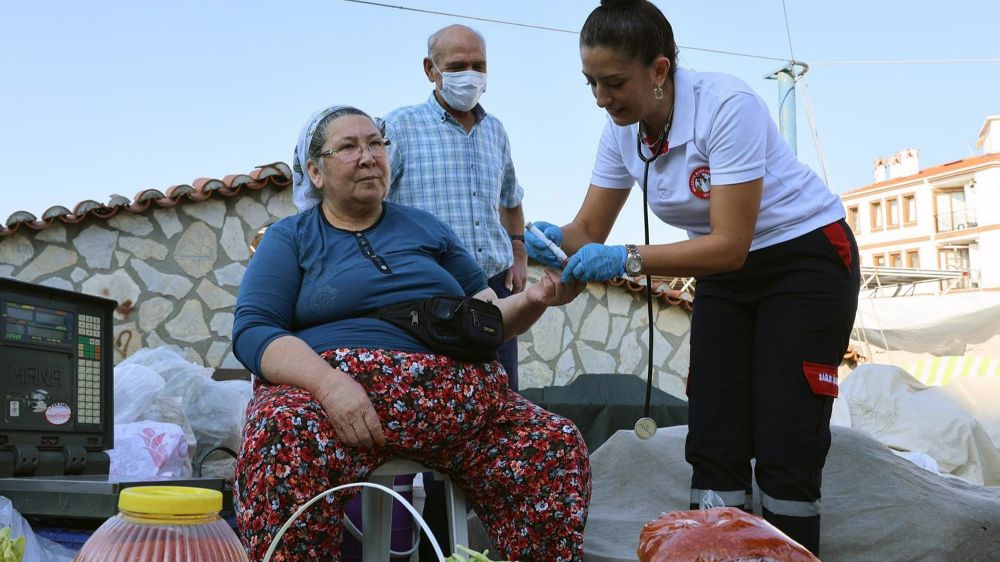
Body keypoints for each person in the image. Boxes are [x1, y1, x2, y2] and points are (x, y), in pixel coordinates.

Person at [526, 0, 860, 555]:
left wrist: (626, 259)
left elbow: (730, 245)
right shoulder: (622, 131)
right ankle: (717, 550)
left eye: (614, 82)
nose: (601, 99)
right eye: (591, 83)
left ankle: (791, 549)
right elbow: (588, 227)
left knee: (785, 437)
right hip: (725, 271)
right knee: (715, 431)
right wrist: (552, 242)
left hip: (803, 260)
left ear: (659, 70)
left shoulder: (726, 105)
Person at [232, 105, 591, 562]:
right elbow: (255, 329)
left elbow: (487, 320)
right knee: (280, 434)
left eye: (376, 143)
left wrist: (536, 299)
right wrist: (329, 384)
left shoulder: (427, 228)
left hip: (459, 405)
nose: (368, 156)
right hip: (335, 408)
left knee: (553, 443)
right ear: (315, 172)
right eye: (348, 146)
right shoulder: (292, 237)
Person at [383, 24, 527, 391]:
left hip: (495, 291)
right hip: (428, 292)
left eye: (479, 66)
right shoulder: (399, 128)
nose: (471, 75)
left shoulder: (495, 130)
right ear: (431, 70)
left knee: (500, 398)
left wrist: (519, 247)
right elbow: (371, 205)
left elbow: (511, 199)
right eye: (458, 65)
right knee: (437, 401)